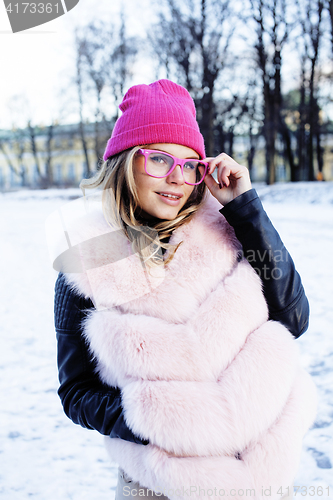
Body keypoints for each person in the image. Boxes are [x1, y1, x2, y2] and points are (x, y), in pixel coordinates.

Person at [54, 80, 316, 500]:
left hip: (264, 468)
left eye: (190, 164)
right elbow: (76, 393)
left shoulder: (229, 229)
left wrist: (246, 209)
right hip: (160, 481)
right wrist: (162, 420)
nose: (176, 178)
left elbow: (294, 318)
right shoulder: (87, 265)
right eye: (158, 159)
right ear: (124, 163)